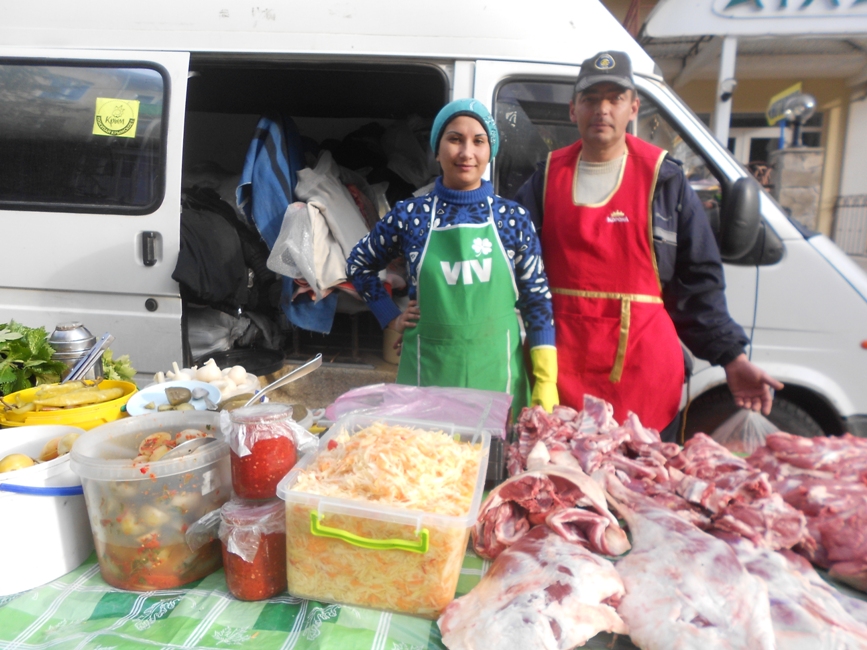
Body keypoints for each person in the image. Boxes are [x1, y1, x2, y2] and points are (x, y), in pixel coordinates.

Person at [514, 50, 782, 435]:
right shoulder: (545, 180)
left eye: (615, 98)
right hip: (558, 377)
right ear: (573, 110)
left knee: (638, 473)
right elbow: (509, 262)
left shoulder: (664, 181)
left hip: (642, 382)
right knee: (554, 472)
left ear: (634, 108)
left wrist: (732, 358)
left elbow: (697, 283)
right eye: (590, 99)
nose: (602, 109)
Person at [346, 99, 558, 413]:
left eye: (478, 141)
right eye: (455, 139)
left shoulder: (513, 218)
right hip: (428, 375)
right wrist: (390, 316)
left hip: (498, 379)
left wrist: (546, 379)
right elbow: (359, 264)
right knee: (426, 445)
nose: (466, 152)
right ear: (437, 150)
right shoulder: (410, 215)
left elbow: (536, 300)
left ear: (490, 151)